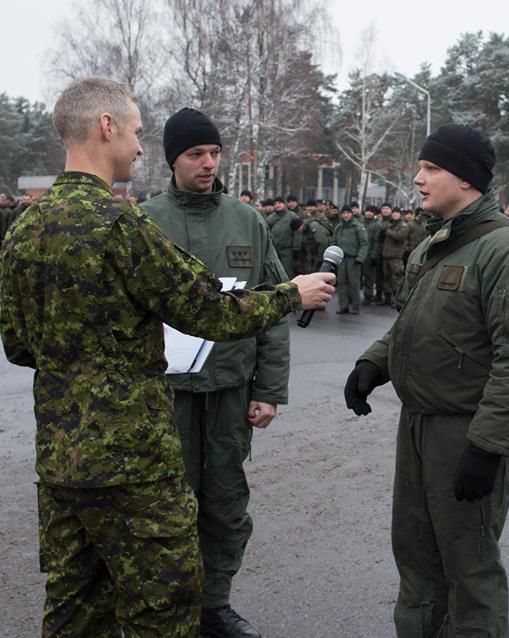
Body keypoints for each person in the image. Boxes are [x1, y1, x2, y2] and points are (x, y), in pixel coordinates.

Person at [0, 77, 334, 638]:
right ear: (106, 128)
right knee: (164, 608)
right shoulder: (123, 225)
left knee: (74, 606)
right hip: (134, 458)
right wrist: (290, 294)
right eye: (133, 132)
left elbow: (18, 344)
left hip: (61, 457)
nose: (135, 146)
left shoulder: (26, 227)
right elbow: (210, 313)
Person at [344, 124, 509, 637]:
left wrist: (487, 446)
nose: (418, 178)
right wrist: (374, 364)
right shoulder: (434, 245)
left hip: (465, 432)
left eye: (431, 168)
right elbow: (410, 324)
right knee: (415, 556)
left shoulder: (507, 249)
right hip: (418, 427)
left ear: (466, 178)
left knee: (469, 568)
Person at [141, 107, 294, 638]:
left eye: (214, 153)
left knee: (226, 503)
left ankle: (215, 603)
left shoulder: (246, 220)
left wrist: (269, 390)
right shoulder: (145, 221)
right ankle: (164, 606)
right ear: (172, 161)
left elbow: (274, 309)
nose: (208, 163)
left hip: (230, 391)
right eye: (195, 154)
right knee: (165, 503)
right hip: (166, 394)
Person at [333, 204, 369, 314]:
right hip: (341, 259)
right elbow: (334, 242)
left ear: (351, 214)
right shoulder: (339, 227)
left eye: (348, 213)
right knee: (342, 283)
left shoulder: (358, 227)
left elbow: (364, 244)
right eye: (343, 213)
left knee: (354, 283)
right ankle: (343, 305)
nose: (345, 215)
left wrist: (360, 258)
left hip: (354, 259)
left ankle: (355, 306)